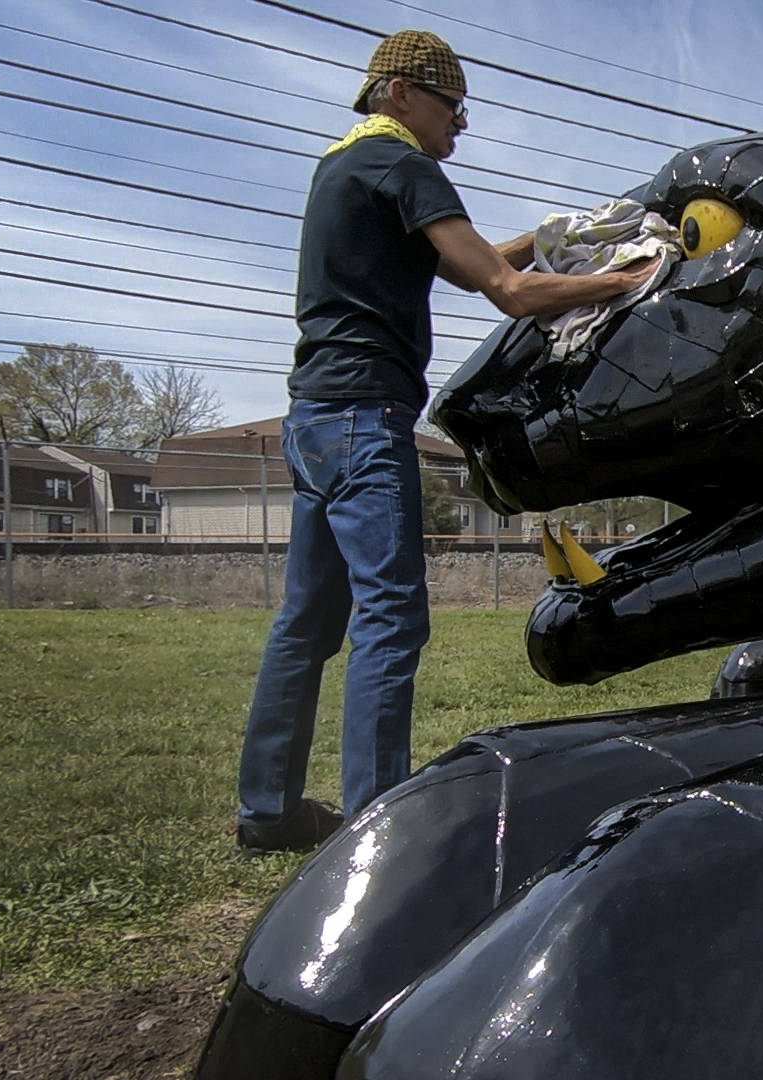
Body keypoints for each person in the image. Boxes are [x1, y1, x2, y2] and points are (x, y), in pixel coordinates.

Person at [233, 29, 660, 856]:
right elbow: (505, 293)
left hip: (312, 422)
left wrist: (555, 237)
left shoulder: (343, 169)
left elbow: (471, 264)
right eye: (452, 106)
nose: (460, 125)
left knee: (306, 625)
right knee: (391, 621)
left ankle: (269, 812)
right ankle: (377, 834)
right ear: (400, 93)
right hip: (367, 419)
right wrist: (627, 277)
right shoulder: (403, 165)